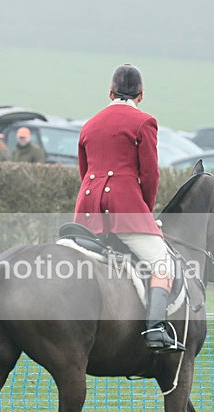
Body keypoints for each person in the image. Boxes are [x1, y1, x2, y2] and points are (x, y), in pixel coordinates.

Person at [74, 63, 183, 353]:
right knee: (162, 262)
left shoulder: (89, 124)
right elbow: (150, 175)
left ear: (110, 93)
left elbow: (84, 171)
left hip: (88, 210)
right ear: (141, 95)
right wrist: (144, 212)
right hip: (125, 207)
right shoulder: (144, 122)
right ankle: (155, 328)